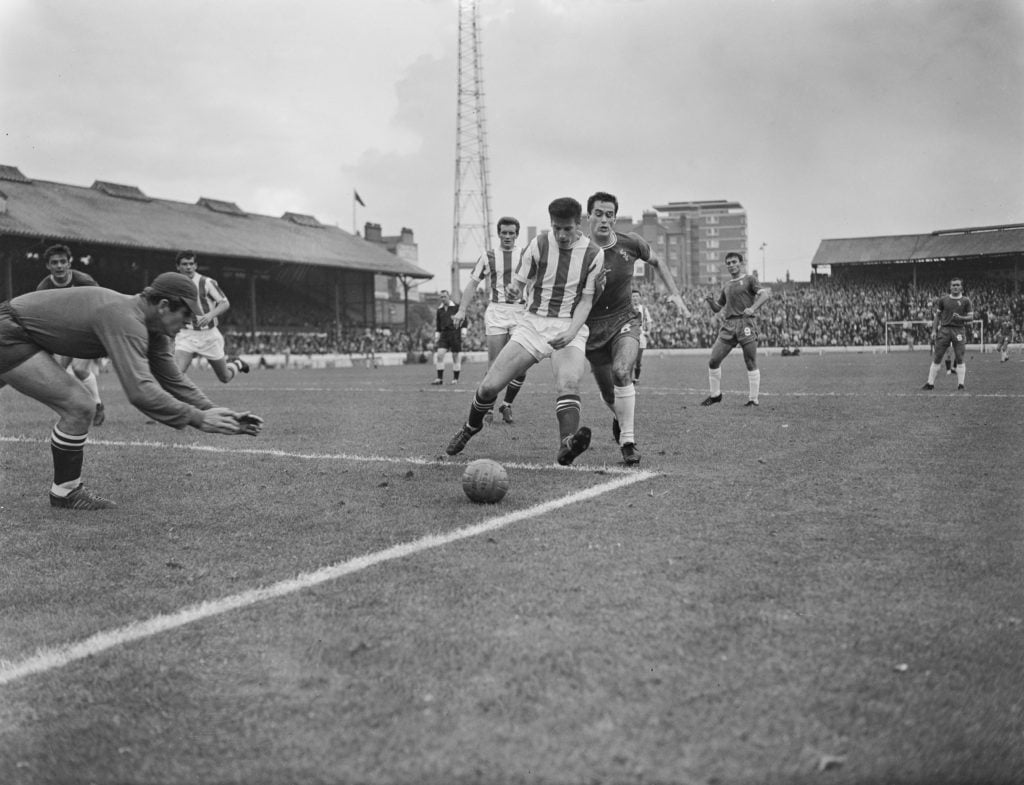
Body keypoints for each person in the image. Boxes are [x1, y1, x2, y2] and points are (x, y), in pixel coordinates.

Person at [0, 272, 263, 510]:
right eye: (185, 315)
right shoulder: (125, 318)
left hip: (19, 331)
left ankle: (65, 491)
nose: (188, 323)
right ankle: (66, 492)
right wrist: (198, 418)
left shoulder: (155, 329)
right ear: (162, 306)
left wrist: (211, 410)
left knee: (79, 405)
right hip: (11, 332)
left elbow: (173, 379)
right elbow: (140, 391)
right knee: (80, 406)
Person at [445, 196, 604, 465]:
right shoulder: (539, 244)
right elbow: (519, 283)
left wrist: (572, 331)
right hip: (532, 324)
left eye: (568, 228)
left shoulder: (593, 254)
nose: (562, 235)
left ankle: (567, 444)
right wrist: (514, 289)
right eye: (557, 228)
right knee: (488, 388)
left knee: (569, 382)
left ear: (580, 223)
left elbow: (587, 301)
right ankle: (471, 427)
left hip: (569, 325)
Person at [584, 191, 690, 465]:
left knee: (621, 371)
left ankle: (628, 443)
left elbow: (658, 262)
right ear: (589, 216)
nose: (604, 219)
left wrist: (675, 295)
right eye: (599, 214)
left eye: (610, 214)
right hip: (591, 330)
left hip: (625, 320)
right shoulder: (578, 250)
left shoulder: (631, 243)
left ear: (615, 218)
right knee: (609, 394)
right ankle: (620, 419)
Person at [454, 216, 528, 423]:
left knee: (521, 365)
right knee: (495, 363)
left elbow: (537, 281)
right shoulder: (488, 256)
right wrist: (461, 310)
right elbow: (472, 284)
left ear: (516, 234)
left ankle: (507, 404)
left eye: (511, 233)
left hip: (521, 312)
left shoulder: (525, 255)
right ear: (498, 233)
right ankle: (488, 407)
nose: (507, 236)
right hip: (497, 311)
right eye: (503, 232)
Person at [35, 244, 106, 426]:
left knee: (80, 369)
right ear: (48, 266)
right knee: (57, 375)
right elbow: (39, 316)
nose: (59, 266)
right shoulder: (44, 288)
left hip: (88, 330)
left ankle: (97, 406)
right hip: (64, 334)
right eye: (54, 263)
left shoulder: (84, 280)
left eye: (62, 262)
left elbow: (101, 301)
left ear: (69, 263)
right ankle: (77, 408)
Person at [701, 252, 771, 407]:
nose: (731, 265)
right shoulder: (727, 286)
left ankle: (753, 399)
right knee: (713, 361)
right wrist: (711, 301)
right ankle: (715, 395)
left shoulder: (749, 280)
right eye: (728, 263)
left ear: (741, 263)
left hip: (746, 323)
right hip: (729, 325)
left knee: (750, 361)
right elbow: (718, 308)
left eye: (734, 262)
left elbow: (765, 295)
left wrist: (752, 308)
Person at [173, 251, 249, 383]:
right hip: (186, 335)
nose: (188, 267)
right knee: (176, 375)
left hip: (209, 335)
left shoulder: (206, 282)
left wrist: (209, 315)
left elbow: (225, 303)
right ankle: (182, 403)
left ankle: (236, 363)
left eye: (191, 264)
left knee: (225, 377)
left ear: (196, 266)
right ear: (178, 267)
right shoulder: (173, 284)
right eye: (184, 264)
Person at [922, 277, 974, 391]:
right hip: (944, 330)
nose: (955, 287)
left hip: (959, 330)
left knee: (960, 356)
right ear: (950, 287)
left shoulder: (966, 301)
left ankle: (961, 384)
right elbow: (937, 316)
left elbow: (971, 316)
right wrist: (934, 331)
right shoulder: (943, 300)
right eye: (953, 285)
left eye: (957, 285)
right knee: (938, 356)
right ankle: (930, 383)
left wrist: (961, 318)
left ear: (961, 287)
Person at [431, 290, 466, 385]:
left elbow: (464, 320)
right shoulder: (439, 310)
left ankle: (455, 379)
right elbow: (438, 325)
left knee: (455, 357)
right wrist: (437, 336)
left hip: (455, 334)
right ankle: (439, 379)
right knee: (439, 355)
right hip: (444, 335)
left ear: (448, 296)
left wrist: (463, 332)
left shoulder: (456, 307)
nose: (443, 299)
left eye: (444, 296)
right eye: (441, 297)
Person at [631, 289, 653, 384]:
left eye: (636, 296)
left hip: (641, 336)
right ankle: (628, 379)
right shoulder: (628, 309)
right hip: (630, 335)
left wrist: (648, 331)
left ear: (640, 298)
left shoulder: (643, 309)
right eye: (633, 296)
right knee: (630, 358)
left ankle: (636, 378)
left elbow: (649, 321)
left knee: (638, 359)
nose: (635, 298)